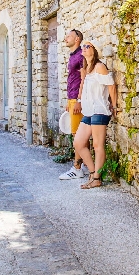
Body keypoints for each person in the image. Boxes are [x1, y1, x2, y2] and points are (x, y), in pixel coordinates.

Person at [73, 41, 118, 189]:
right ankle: (93, 172)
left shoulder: (99, 67)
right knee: (78, 143)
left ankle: (97, 178)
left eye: (87, 46)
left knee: (98, 145)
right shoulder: (87, 68)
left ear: (94, 50)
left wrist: (115, 105)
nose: (84, 48)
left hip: (99, 109)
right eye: (83, 47)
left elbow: (111, 85)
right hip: (89, 110)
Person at [59, 29, 87, 180]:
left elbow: (84, 79)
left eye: (68, 36)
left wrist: (78, 100)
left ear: (77, 39)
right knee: (77, 134)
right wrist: (69, 101)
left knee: (77, 135)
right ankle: (84, 166)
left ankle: (77, 169)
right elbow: (72, 79)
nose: (65, 38)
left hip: (77, 100)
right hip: (72, 99)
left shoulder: (80, 55)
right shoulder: (73, 56)